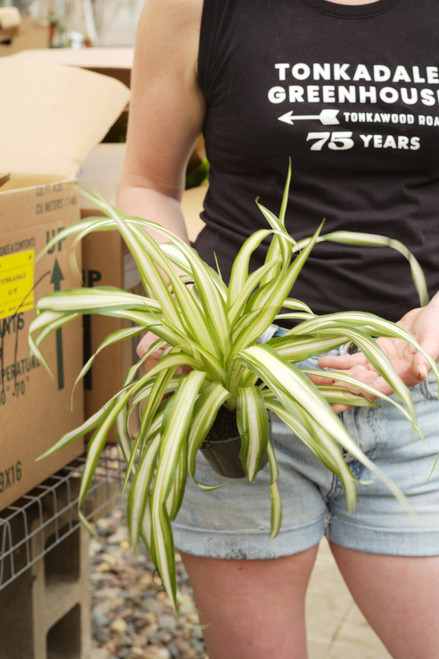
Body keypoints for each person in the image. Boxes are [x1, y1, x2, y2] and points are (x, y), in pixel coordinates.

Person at [116, 1, 439, 657]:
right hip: (238, 389)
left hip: (418, 390)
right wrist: (190, 316)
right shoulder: (195, 8)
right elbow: (147, 182)